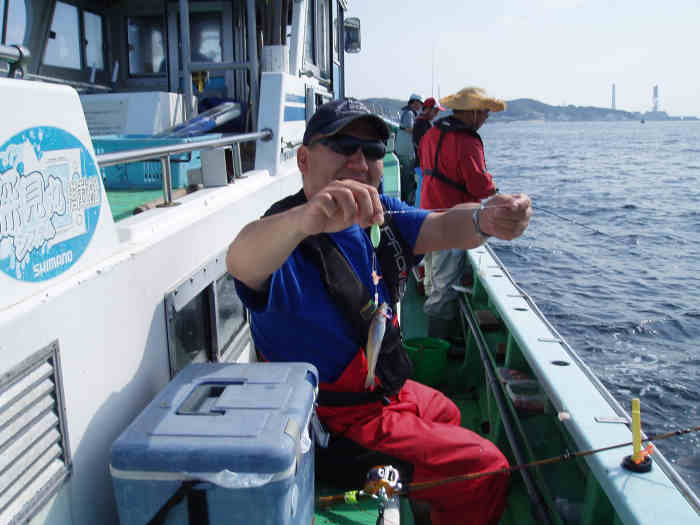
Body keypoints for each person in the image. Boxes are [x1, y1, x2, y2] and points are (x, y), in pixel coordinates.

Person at [227, 98, 531, 525]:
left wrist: (486, 218)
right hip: (330, 424)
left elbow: (444, 225)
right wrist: (305, 220)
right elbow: (242, 260)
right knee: (486, 467)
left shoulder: (382, 216)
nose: (360, 159)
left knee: (447, 412)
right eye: (342, 144)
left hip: (379, 393)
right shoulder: (286, 235)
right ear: (303, 158)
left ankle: (428, 507)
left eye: (372, 150)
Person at [418, 87, 504, 340]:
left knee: (432, 276)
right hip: (453, 220)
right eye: (485, 112)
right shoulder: (467, 141)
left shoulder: (432, 132)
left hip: (426, 213)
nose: (487, 117)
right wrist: (492, 186)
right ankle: (436, 344)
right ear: (474, 113)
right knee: (443, 288)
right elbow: (478, 184)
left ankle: (432, 332)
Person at [395, 93, 423, 204]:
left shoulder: (406, 112)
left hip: (401, 148)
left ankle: (403, 198)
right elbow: (410, 128)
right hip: (407, 150)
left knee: (404, 174)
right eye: (419, 103)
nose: (420, 105)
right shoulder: (410, 113)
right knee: (407, 175)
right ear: (414, 102)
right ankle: (405, 201)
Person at [412, 96, 446, 165]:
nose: (436, 114)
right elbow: (424, 146)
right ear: (428, 109)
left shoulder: (422, 121)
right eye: (435, 111)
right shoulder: (422, 124)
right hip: (423, 164)